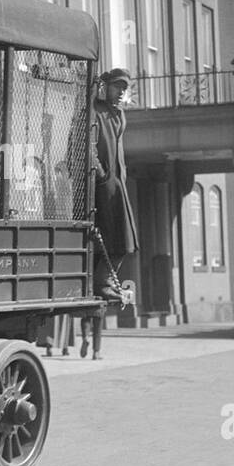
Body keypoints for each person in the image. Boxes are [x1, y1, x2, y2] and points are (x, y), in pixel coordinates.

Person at [90, 68, 139, 303]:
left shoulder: (119, 115)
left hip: (118, 184)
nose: (121, 92)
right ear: (105, 86)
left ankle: (106, 282)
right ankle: (102, 283)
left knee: (124, 240)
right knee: (111, 237)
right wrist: (100, 174)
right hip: (102, 184)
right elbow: (85, 146)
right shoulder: (94, 112)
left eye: (124, 88)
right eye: (117, 86)